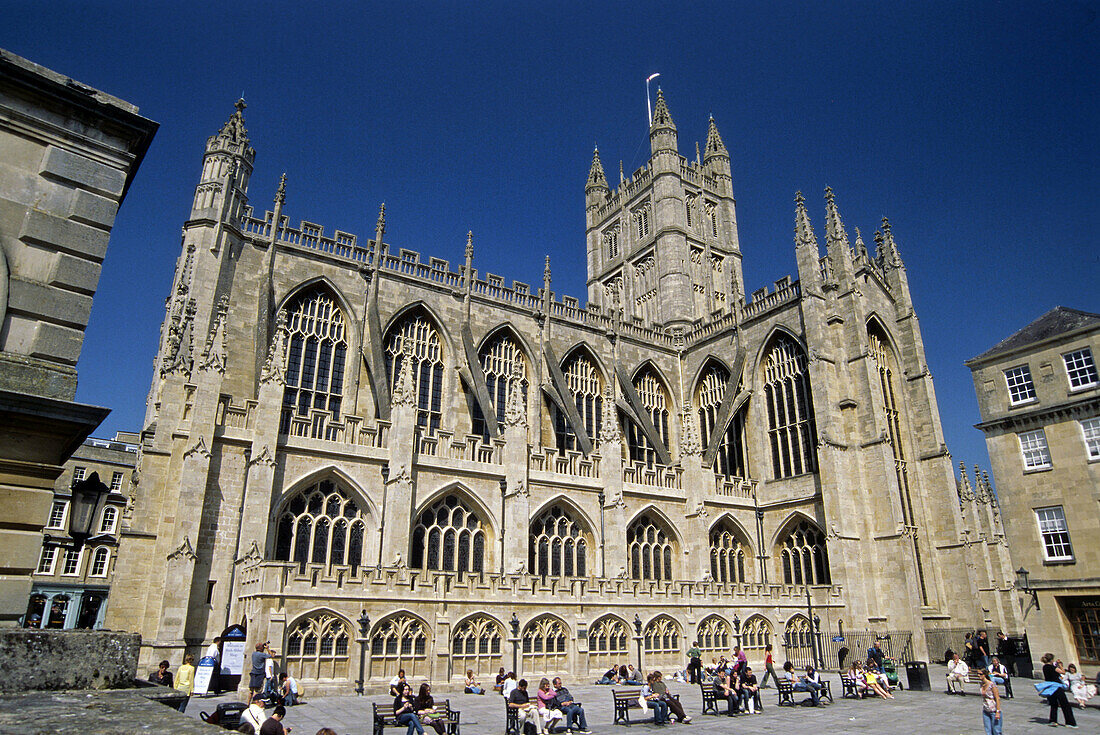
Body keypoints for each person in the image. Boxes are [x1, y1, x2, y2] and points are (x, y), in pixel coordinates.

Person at [1039, 653, 1077, 727]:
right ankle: (1070, 722)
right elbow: (1063, 672)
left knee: (1053, 704)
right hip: (1056, 686)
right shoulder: (1052, 667)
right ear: (1052, 659)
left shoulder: (1045, 667)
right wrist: (1060, 665)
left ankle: (1053, 720)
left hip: (1049, 686)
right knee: (1065, 704)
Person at [979, 669, 1002, 735]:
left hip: (994, 710)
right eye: (978, 674)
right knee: (988, 731)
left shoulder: (992, 685)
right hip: (986, 710)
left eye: (980, 674)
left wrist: (998, 711)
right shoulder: (981, 684)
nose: (978, 675)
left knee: (996, 731)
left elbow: (997, 698)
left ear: (985, 675)